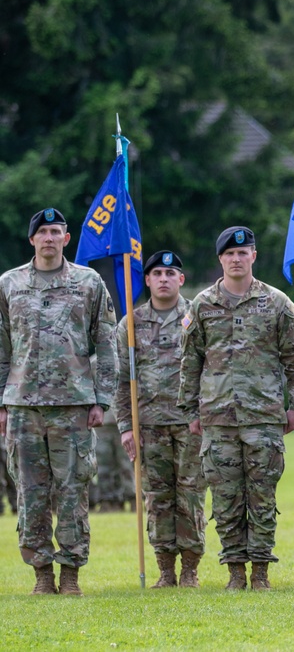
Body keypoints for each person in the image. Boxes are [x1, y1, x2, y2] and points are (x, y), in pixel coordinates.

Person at [179, 226, 294, 591]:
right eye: (230, 254)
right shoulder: (202, 305)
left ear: (253, 256)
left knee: (262, 496)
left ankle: (260, 571)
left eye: (244, 253)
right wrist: (190, 411)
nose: (236, 259)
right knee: (225, 498)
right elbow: (190, 362)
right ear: (220, 259)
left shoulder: (277, 303)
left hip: (264, 417)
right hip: (217, 417)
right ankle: (234, 571)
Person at [0, 207, 117, 596]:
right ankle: (41, 576)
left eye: (56, 231)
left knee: (72, 491)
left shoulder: (89, 282)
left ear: (67, 238)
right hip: (23, 407)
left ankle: (70, 574)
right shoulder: (9, 284)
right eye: (42, 232)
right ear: (31, 239)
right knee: (30, 493)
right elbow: (1, 348)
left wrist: (102, 399)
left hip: (74, 405)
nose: (49, 238)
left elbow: (106, 341)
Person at [117, 250, 206, 588]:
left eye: (171, 273)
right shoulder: (131, 323)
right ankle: (165, 569)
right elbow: (120, 380)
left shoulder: (198, 315)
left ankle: (190, 570)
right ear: (148, 280)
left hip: (191, 424)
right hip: (149, 425)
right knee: (157, 498)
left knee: (191, 496)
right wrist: (126, 426)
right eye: (158, 274)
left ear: (181, 279)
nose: (164, 279)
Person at [93, 408, 134, 512]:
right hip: (102, 421)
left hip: (124, 421)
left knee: (126, 463)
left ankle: (132, 498)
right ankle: (107, 501)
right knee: (103, 465)